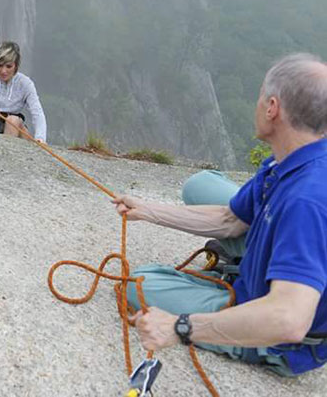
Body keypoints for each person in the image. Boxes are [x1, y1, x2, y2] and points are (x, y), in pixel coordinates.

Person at [112, 53, 327, 376]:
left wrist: (179, 327)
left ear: (272, 108)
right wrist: (149, 210)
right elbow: (231, 220)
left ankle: (243, 294)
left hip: (282, 339)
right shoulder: (289, 160)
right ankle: (252, 262)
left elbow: (288, 319)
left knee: (138, 283)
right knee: (202, 185)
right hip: (284, 241)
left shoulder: (307, 199)